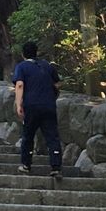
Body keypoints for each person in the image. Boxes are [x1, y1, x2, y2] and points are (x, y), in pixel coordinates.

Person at [13, 40, 62, 181]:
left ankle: (26, 165)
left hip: (31, 106)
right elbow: (57, 83)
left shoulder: (22, 67)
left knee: (28, 136)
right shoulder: (47, 66)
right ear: (36, 52)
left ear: (23, 54)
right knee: (52, 137)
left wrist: (18, 104)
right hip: (49, 106)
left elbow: (20, 85)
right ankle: (56, 167)